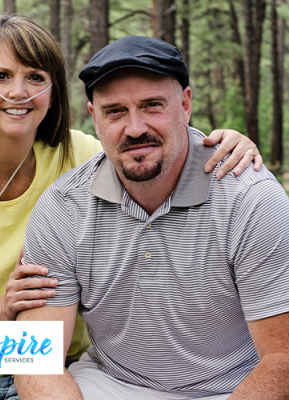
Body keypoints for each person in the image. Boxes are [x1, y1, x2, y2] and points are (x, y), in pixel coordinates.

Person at [0, 15, 260, 400]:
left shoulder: (83, 155)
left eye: (35, 77)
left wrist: (227, 143)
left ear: (53, 92)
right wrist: (4, 308)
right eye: (0, 76)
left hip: (59, 370)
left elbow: (150, 147)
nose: (19, 91)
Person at [15, 36, 289, 400]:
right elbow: (37, 361)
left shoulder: (250, 200)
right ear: (94, 118)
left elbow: (282, 358)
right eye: (115, 111)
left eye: (152, 105)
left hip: (234, 387)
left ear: (185, 104)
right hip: (112, 384)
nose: (135, 128)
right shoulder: (63, 208)